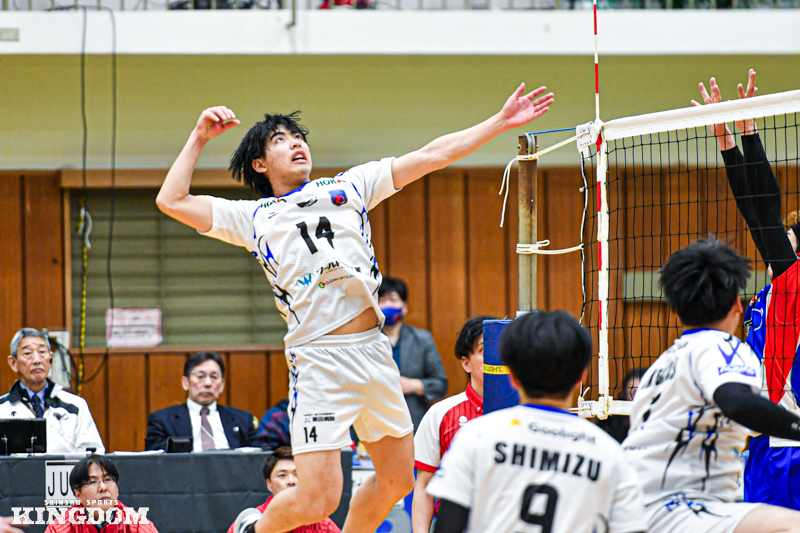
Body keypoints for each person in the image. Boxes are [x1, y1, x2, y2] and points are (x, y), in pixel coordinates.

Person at [155, 82, 553, 533]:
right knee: (318, 499)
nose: (296, 143)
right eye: (280, 139)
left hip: (373, 351)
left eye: (298, 136)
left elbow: (433, 155)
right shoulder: (253, 217)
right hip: (319, 359)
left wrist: (500, 122)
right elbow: (172, 200)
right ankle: (253, 528)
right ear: (261, 164)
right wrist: (199, 137)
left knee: (398, 480)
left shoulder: (350, 185)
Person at [623, 240, 800, 533]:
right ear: (737, 305)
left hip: (633, 505)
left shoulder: (662, 365)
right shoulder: (723, 347)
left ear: (677, 313)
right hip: (679, 507)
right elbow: (738, 402)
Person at [426, 310, 647, 533]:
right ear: (582, 376)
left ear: (512, 376)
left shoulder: (475, 438)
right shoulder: (610, 454)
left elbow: (448, 526)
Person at [693, 70, 800, 510]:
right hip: (766, 443)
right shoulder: (775, 292)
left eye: (788, 240)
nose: (776, 242)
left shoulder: (794, 284)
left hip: (789, 449)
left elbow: (765, 213)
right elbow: (756, 215)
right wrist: (727, 142)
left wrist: (749, 132)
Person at [411, 315, 494, 533]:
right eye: (485, 350)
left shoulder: (522, 413)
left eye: (499, 350)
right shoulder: (440, 413)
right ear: (466, 363)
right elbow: (424, 486)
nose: (494, 358)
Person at [0, 328, 105, 454]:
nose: (37, 360)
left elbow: (94, 455)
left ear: (50, 359)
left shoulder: (76, 406)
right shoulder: (2, 409)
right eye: (27, 353)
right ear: (13, 363)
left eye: (42, 352)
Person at [144, 351, 258, 451]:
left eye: (214, 377)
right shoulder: (162, 420)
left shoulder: (243, 420)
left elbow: (257, 459)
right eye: (200, 376)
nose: (208, 383)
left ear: (222, 385)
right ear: (186, 383)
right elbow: (155, 462)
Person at [379, 277, 448, 430]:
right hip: (375, 423)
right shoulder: (365, 341)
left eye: (393, 299)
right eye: (381, 300)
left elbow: (440, 384)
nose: (388, 305)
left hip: (414, 422)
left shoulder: (422, 339)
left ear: (404, 307)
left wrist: (413, 385)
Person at [228, 447, 340, 533]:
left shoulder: (321, 523)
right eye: (282, 475)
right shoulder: (250, 523)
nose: (291, 481)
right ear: (269, 484)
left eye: (297, 475)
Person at [45, 455, 158, 533]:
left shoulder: (138, 526)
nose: (103, 488)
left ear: (117, 489)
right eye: (92, 482)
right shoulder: (60, 529)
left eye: (108, 480)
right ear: (78, 495)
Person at [595, 367, 647, 443]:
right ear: (625, 392)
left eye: (641, 392)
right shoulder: (610, 417)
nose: (637, 396)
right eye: (634, 392)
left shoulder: (655, 414)